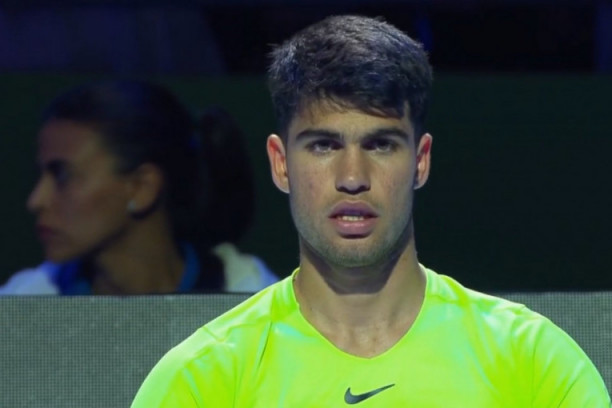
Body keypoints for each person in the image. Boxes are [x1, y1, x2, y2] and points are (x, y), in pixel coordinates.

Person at [131, 15, 610, 406]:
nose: (352, 177)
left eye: (380, 145)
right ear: (280, 164)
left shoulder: (533, 362)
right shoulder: (201, 378)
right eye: (323, 145)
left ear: (420, 160)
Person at [0, 80, 277, 295]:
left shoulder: (250, 297)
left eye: (62, 175)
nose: (36, 200)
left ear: (142, 187)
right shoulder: (25, 301)